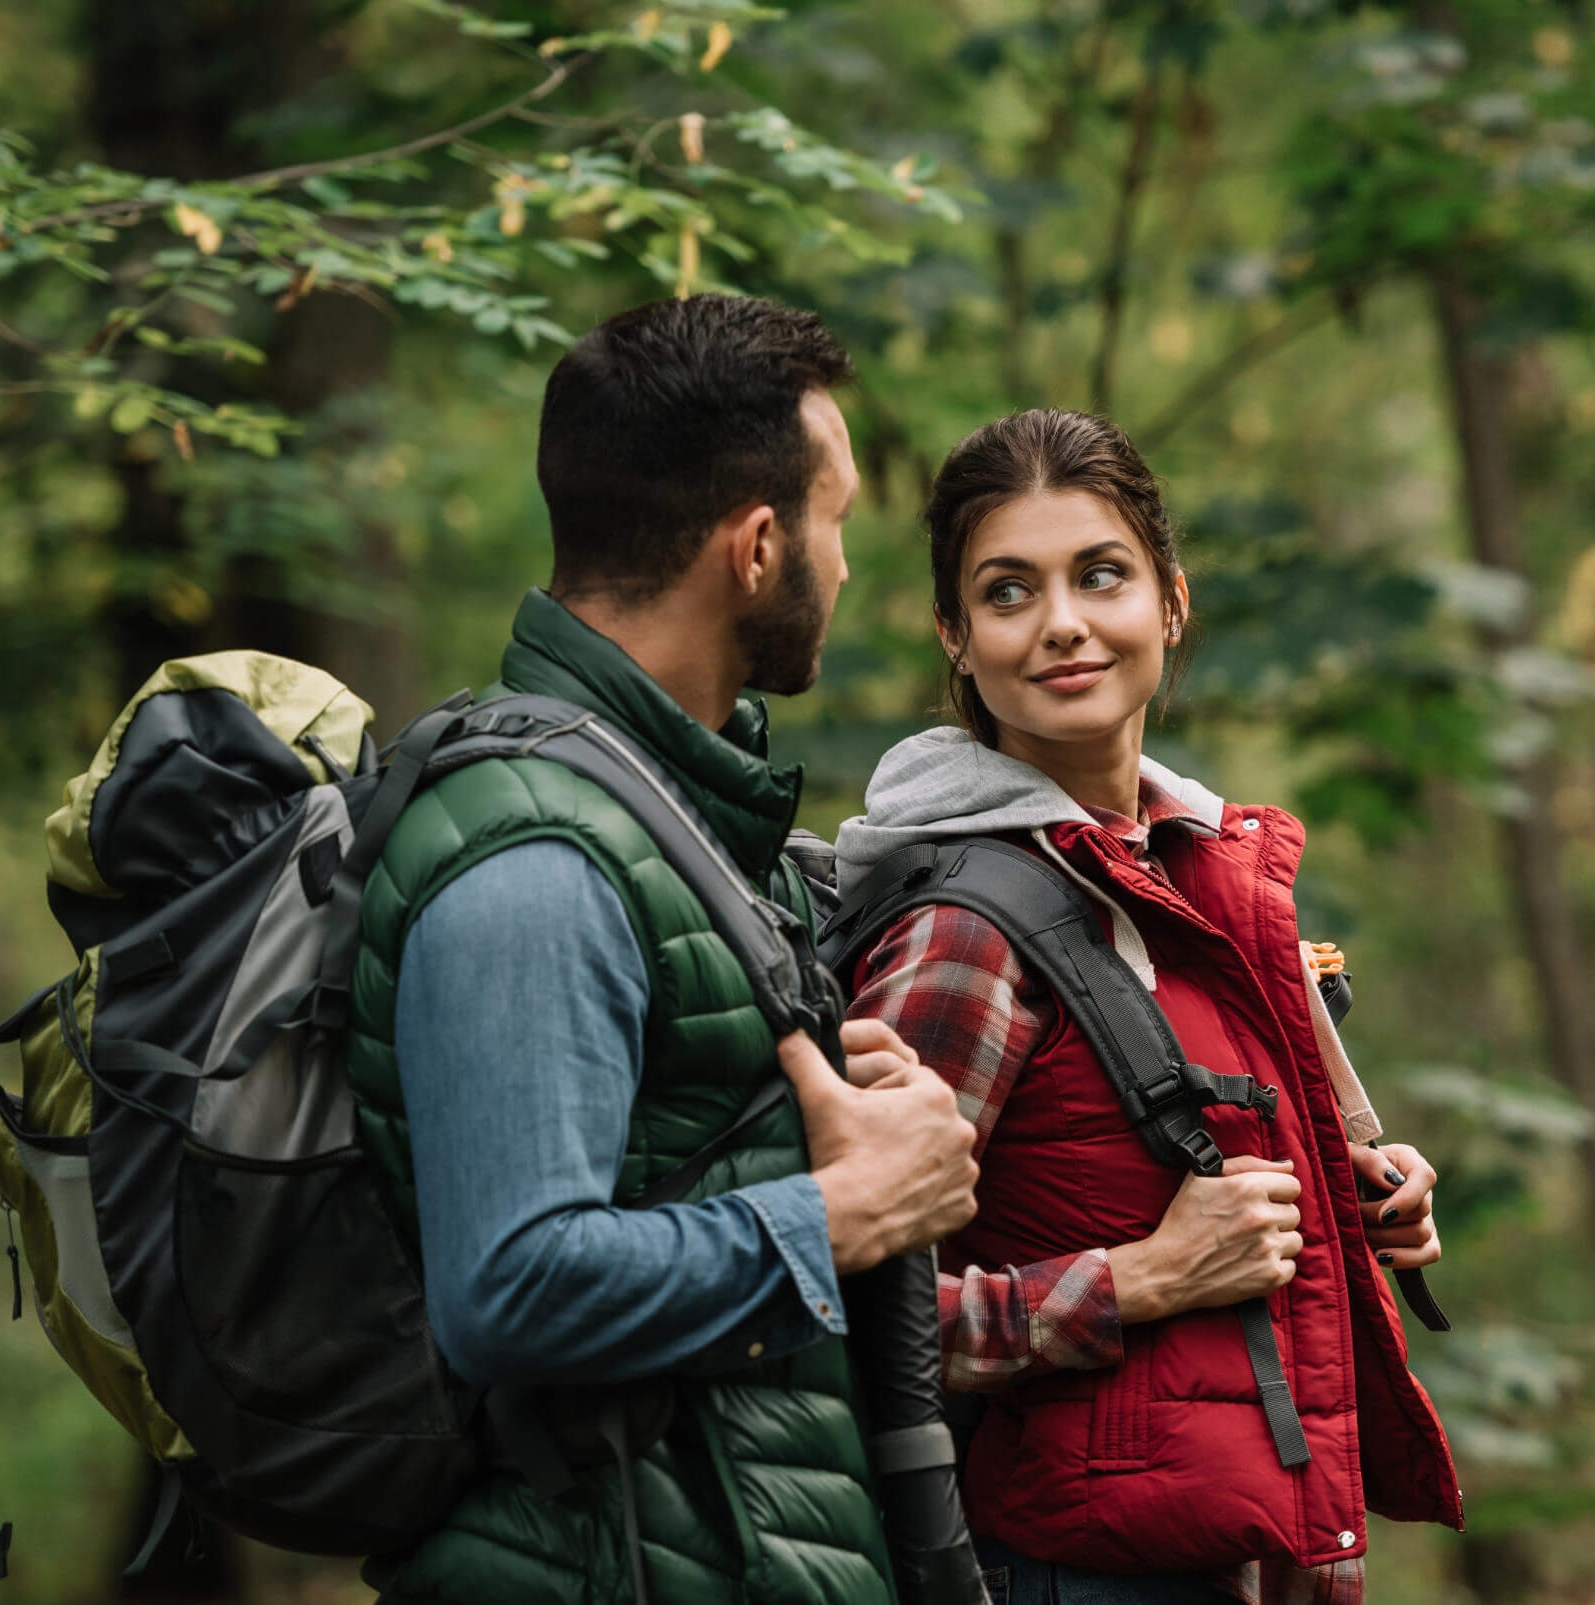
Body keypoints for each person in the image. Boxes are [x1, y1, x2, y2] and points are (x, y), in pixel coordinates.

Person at [343, 294, 982, 1605]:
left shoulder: (677, 820)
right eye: (837, 519)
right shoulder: (533, 862)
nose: (847, 563)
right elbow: (513, 1285)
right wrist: (849, 1210)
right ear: (755, 547)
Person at [835, 409, 1463, 1604]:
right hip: (1046, 1568)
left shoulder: (1190, 872)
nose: (1063, 622)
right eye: (1009, 592)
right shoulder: (966, 929)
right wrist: (1139, 1280)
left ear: (1171, 602)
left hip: (1220, 1548)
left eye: (1101, 575)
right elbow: (847, 1315)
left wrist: (1357, 1197)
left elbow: (1208, 1192)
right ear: (956, 640)